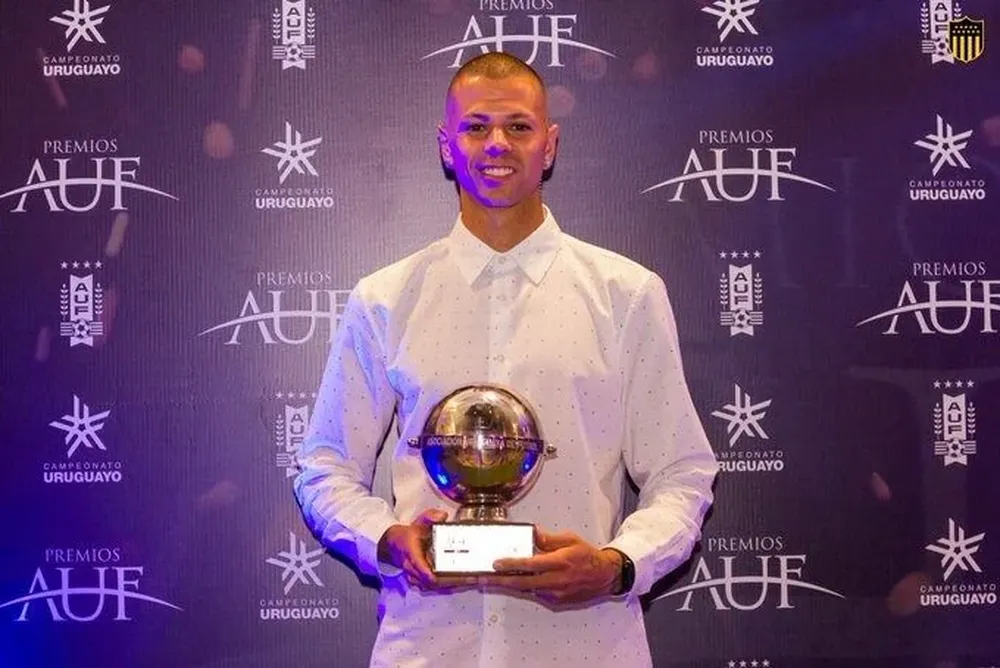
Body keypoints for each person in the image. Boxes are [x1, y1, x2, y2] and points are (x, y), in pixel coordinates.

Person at [294, 52, 719, 668]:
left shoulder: (627, 294)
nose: (497, 143)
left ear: (549, 145)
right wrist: (386, 539)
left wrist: (615, 565)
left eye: (518, 127)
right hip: (429, 647)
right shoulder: (384, 299)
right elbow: (324, 467)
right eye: (476, 127)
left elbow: (682, 472)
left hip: (585, 648)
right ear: (447, 146)